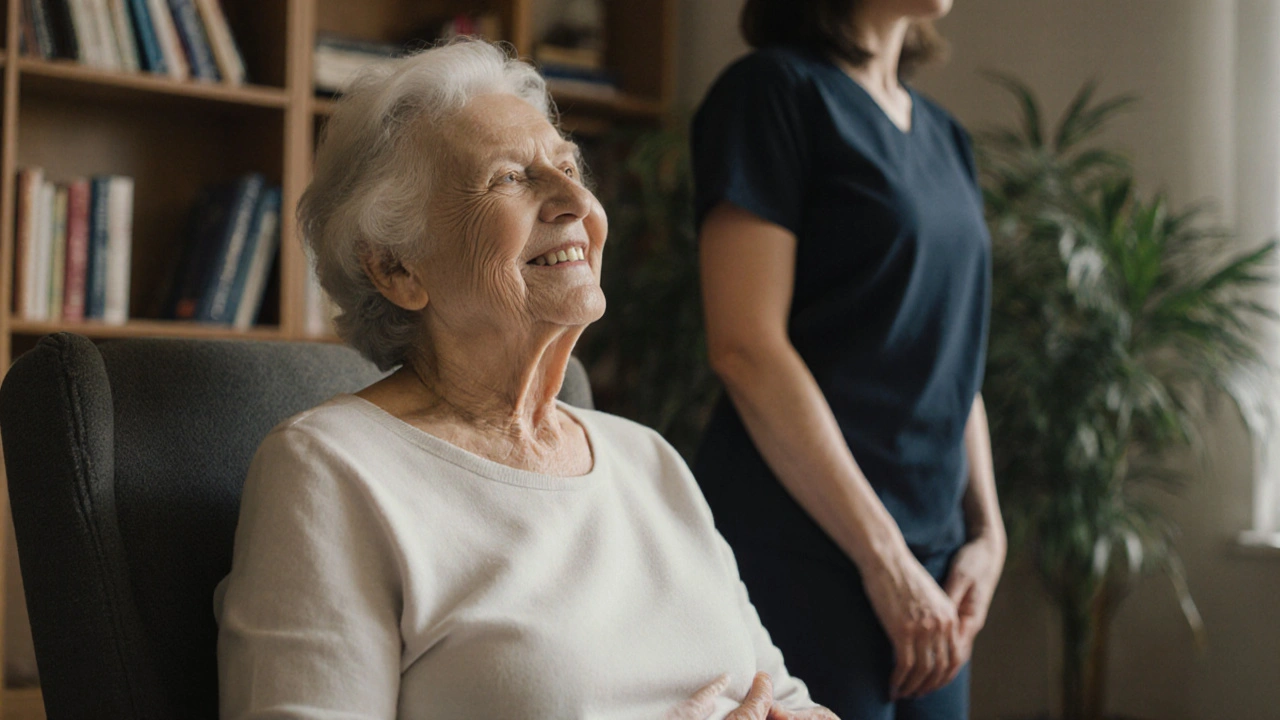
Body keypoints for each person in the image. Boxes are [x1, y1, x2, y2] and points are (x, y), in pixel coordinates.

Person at [214, 39, 836, 720]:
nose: (576, 200)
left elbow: (785, 700)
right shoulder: (333, 469)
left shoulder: (647, 460)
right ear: (397, 268)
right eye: (510, 178)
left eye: (569, 168)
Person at [690, 1, 1006, 718]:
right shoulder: (772, 94)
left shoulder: (946, 136)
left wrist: (987, 533)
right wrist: (884, 561)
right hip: (807, 552)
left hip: (934, 564)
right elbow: (744, 346)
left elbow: (951, 352)